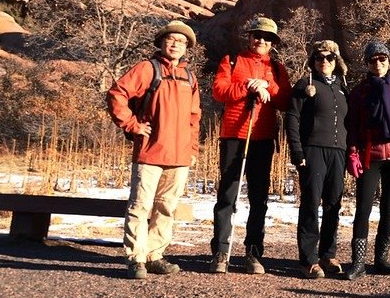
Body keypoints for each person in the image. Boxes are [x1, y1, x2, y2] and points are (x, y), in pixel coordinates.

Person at [107, 20, 201, 280]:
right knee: (140, 206)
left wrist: (192, 148)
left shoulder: (189, 77)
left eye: (181, 42)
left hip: (179, 156)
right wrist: (131, 124)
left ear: (186, 48)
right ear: (161, 42)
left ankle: (154, 254)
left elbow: (194, 116)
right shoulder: (148, 68)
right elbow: (117, 93)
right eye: (171, 39)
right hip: (150, 152)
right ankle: (136, 258)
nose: (175, 44)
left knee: (166, 208)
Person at [210, 16, 291, 274]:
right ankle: (221, 251)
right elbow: (219, 91)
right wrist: (247, 86)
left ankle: (253, 252)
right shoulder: (232, 61)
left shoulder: (277, 68)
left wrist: (268, 84)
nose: (261, 41)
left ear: (272, 43)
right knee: (228, 195)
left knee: (259, 198)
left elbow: (285, 101)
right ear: (249, 37)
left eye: (267, 38)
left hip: (263, 138)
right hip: (234, 135)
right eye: (257, 35)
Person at [344, 41, 390, 281]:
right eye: (373, 59)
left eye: (382, 58)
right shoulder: (359, 92)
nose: (378, 63)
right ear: (367, 63)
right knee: (363, 208)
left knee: (389, 208)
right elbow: (351, 125)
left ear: (389, 61)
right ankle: (358, 262)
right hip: (369, 156)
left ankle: (381, 259)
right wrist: (352, 153)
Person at [286, 40, 349, 279]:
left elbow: (348, 122)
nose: (324, 61)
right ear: (313, 61)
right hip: (313, 149)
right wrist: (297, 151)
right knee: (311, 202)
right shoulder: (305, 84)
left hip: (338, 151)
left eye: (329, 57)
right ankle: (309, 259)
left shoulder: (342, 86)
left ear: (336, 61)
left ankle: (328, 254)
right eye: (319, 57)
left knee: (334, 203)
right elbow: (292, 118)